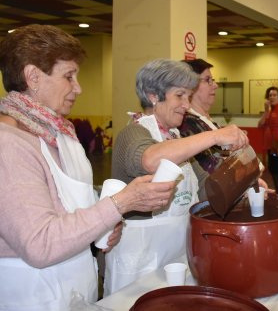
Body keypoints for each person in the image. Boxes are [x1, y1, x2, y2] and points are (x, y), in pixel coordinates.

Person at [0, 25, 177, 310]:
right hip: (34, 295)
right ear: (33, 77)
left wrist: (99, 233)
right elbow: (40, 243)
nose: (78, 88)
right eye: (69, 76)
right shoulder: (8, 145)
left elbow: (72, 211)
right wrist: (119, 204)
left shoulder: (62, 134)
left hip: (76, 286)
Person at [105, 58, 249, 295]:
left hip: (176, 254)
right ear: (153, 95)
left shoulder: (175, 139)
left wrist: (242, 175)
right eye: (179, 96)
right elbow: (151, 160)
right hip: (140, 261)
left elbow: (208, 191)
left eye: (188, 97)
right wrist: (215, 136)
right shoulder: (132, 134)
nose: (186, 105)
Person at [178, 59, 227, 173]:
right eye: (207, 80)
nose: (215, 85)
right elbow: (213, 169)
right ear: (190, 85)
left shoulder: (204, 120)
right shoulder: (188, 122)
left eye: (212, 80)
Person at [257, 86, 278, 197]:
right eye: (270, 95)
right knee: (274, 171)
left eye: (274, 95)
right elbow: (260, 125)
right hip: (271, 148)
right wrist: (266, 111)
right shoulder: (270, 111)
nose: (272, 97)